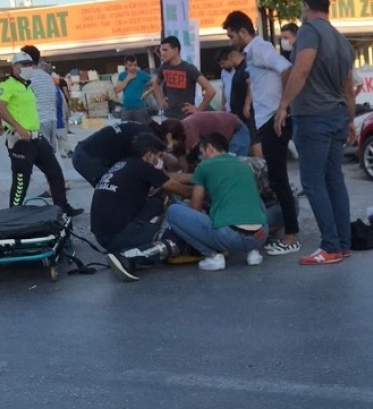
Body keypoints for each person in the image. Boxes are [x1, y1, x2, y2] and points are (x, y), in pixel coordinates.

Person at [273, 0, 355, 266]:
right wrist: (351, 119)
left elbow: (302, 68)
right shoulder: (341, 40)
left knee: (312, 181)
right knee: (334, 179)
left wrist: (283, 105)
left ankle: (330, 245)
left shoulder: (309, 30)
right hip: (337, 114)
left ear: (306, 5)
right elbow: (348, 86)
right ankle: (342, 244)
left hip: (313, 116)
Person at [223, 10, 300, 256]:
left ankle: (291, 237)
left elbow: (286, 68)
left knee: (278, 178)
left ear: (243, 32)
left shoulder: (259, 48)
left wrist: (283, 107)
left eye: (231, 35)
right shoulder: (253, 52)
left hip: (273, 120)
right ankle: (288, 230)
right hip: (268, 119)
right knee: (276, 178)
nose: (230, 41)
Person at [90, 133, 191, 281]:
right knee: (177, 239)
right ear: (150, 155)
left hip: (103, 232)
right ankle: (128, 257)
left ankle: (145, 235)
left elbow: (167, 185)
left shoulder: (124, 163)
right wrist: (202, 192)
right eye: (160, 156)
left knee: (158, 201)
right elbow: (180, 189)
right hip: (116, 234)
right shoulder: (144, 167)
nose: (161, 161)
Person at [0, 52, 82, 216]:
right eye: (24, 65)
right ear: (14, 67)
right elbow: (0, 108)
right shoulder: (8, 84)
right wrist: (18, 127)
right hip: (20, 140)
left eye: (29, 64)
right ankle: (13, 214)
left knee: (55, 173)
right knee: (21, 181)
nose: (28, 68)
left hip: (36, 138)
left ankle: (62, 208)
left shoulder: (27, 85)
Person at [164, 132, 268, 273]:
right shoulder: (244, 165)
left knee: (173, 212)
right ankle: (253, 252)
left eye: (202, 152)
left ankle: (213, 257)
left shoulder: (204, 167)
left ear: (210, 148)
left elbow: (195, 207)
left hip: (229, 236)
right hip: (260, 236)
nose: (202, 157)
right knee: (255, 201)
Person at [72, 118, 162, 186]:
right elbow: (143, 165)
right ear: (169, 137)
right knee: (113, 188)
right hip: (87, 157)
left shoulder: (144, 130)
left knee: (116, 187)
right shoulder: (149, 138)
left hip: (86, 152)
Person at [147, 36, 215, 118]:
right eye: (161, 50)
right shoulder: (164, 67)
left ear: (176, 50)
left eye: (165, 50)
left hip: (186, 118)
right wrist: (160, 100)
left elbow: (211, 91)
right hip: (168, 116)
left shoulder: (189, 68)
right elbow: (156, 83)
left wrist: (198, 110)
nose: (162, 53)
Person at [20, 45, 59, 151]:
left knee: (42, 157)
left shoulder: (27, 78)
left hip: (38, 122)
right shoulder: (47, 77)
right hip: (52, 119)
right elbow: (55, 100)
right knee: (51, 155)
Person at [174, 109, 247, 159]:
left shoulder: (189, 131)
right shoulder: (182, 128)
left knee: (232, 165)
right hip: (222, 134)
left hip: (236, 131)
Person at [111, 56, 153, 123]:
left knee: (142, 129)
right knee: (126, 130)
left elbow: (156, 83)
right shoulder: (122, 75)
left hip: (140, 108)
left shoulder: (141, 74)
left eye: (135, 65)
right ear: (126, 65)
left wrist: (147, 92)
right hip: (126, 108)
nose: (133, 67)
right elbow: (117, 90)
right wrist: (128, 78)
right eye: (130, 65)